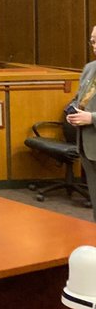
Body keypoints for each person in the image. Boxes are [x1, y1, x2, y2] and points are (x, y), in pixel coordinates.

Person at [66, 26, 96, 221]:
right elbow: (79, 99)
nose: (95, 46)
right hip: (87, 146)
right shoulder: (89, 68)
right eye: (92, 41)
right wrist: (73, 111)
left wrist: (91, 118)